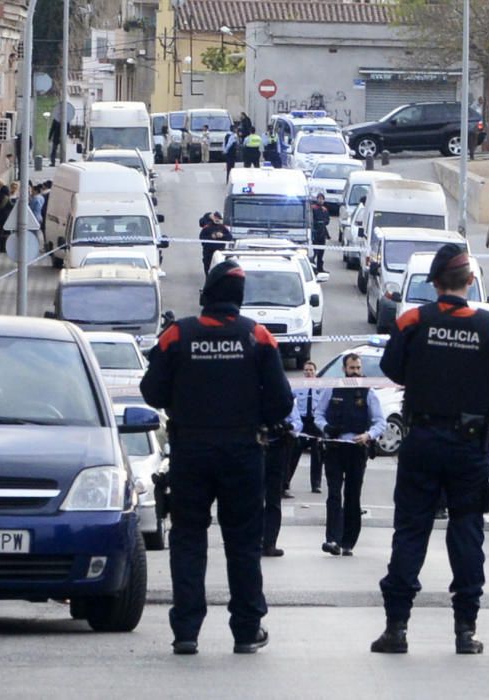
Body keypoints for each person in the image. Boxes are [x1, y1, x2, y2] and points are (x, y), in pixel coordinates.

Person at [139, 260, 294, 655]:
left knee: (189, 539)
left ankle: (186, 631)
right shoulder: (257, 336)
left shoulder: (178, 334)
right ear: (239, 298)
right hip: (243, 452)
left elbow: (152, 392)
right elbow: (282, 403)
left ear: (206, 294)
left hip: (191, 450)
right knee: (243, 542)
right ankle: (246, 631)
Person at [373, 243, 489, 655]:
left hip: (420, 438)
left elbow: (390, 368)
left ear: (434, 282)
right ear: (470, 282)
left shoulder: (414, 320)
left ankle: (396, 628)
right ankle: (465, 631)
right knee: (467, 531)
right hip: (469, 445)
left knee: (411, 531)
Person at [314, 353, 386, 557]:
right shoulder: (333, 389)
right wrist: (326, 427)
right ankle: (332, 539)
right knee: (334, 494)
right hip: (335, 448)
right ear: (344, 369)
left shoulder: (368, 393)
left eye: (358, 368)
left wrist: (368, 435)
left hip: (356, 449)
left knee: (353, 496)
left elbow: (380, 422)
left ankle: (348, 541)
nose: (355, 371)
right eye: (351, 368)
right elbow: (319, 414)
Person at [262, 399, 301, 557]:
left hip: (277, 449)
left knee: (273, 498)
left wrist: (289, 427)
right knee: (252, 499)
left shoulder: (283, 398)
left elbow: (297, 423)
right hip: (255, 448)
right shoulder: (251, 390)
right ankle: (253, 540)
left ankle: (269, 543)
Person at [289, 360, 324, 495]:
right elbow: (289, 400)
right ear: (303, 372)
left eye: (311, 370)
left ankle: (316, 484)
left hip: (315, 422)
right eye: (307, 370)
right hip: (302, 421)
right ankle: (286, 482)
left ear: (315, 372)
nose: (309, 373)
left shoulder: (322, 386)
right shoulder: (298, 386)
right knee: (294, 452)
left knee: (317, 454)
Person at [199, 211, 233, 277]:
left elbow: (230, 237)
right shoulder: (207, 227)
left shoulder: (223, 228)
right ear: (213, 217)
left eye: (219, 218)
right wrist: (211, 237)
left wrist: (222, 236)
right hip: (208, 252)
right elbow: (202, 238)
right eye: (216, 217)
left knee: (219, 269)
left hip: (219, 252)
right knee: (207, 269)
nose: (217, 220)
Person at [310, 193, 330, 272]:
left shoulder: (324, 209)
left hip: (322, 233)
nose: (320, 200)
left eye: (322, 199)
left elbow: (327, 220)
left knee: (321, 252)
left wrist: (324, 222)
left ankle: (320, 268)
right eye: (319, 198)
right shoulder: (313, 208)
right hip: (315, 233)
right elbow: (311, 219)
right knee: (314, 251)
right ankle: (313, 267)